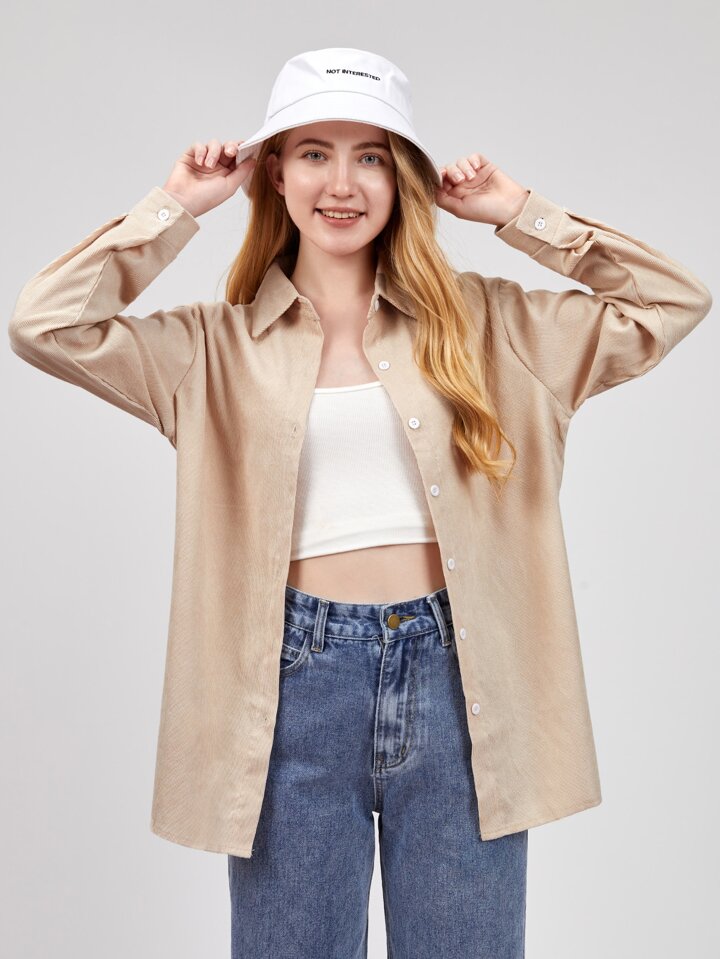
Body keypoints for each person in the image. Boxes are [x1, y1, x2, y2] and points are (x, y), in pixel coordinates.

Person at [8, 47, 712, 959]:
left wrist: (518, 213)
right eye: (314, 153)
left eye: (370, 156)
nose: (341, 184)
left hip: (462, 687)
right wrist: (174, 207)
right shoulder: (212, 350)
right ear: (274, 172)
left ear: (402, 177)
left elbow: (672, 301)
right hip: (291, 690)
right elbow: (43, 324)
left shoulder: (492, 327)